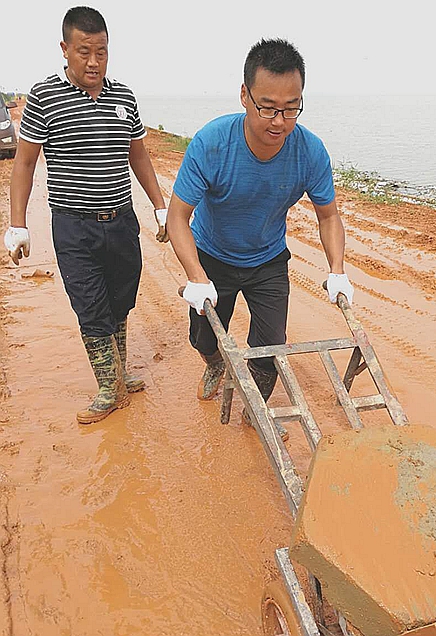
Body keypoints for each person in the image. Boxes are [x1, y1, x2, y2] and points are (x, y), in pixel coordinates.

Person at [167, 38, 354, 440]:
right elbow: (178, 218)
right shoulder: (213, 143)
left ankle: (257, 409)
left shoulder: (310, 151)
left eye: (291, 108)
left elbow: (329, 215)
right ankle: (214, 361)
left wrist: (337, 269)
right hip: (212, 256)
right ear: (244, 95)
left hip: (268, 260)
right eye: (267, 106)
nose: (278, 121)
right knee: (202, 335)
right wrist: (196, 276)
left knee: (271, 346)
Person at [3, 6, 169, 425]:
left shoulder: (124, 97)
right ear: (65, 49)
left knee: (120, 301)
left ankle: (119, 372)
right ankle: (109, 387)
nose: (93, 62)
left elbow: (138, 155)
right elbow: (24, 164)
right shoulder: (44, 97)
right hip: (74, 225)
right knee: (90, 304)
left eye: (101, 52)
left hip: (121, 220)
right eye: (84, 52)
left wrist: (160, 205)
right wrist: (17, 224)